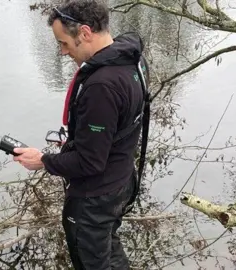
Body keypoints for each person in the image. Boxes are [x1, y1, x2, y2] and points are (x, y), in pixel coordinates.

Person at [12, 1, 149, 269]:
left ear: (85, 33)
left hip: (94, 199)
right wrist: (82, 138)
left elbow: (89, 162)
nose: (62, 52)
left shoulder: (102, 86)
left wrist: (44, 160)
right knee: (109, 250)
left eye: (64, 43)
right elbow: (116, 127)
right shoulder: (133, 59)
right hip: (122, 180)